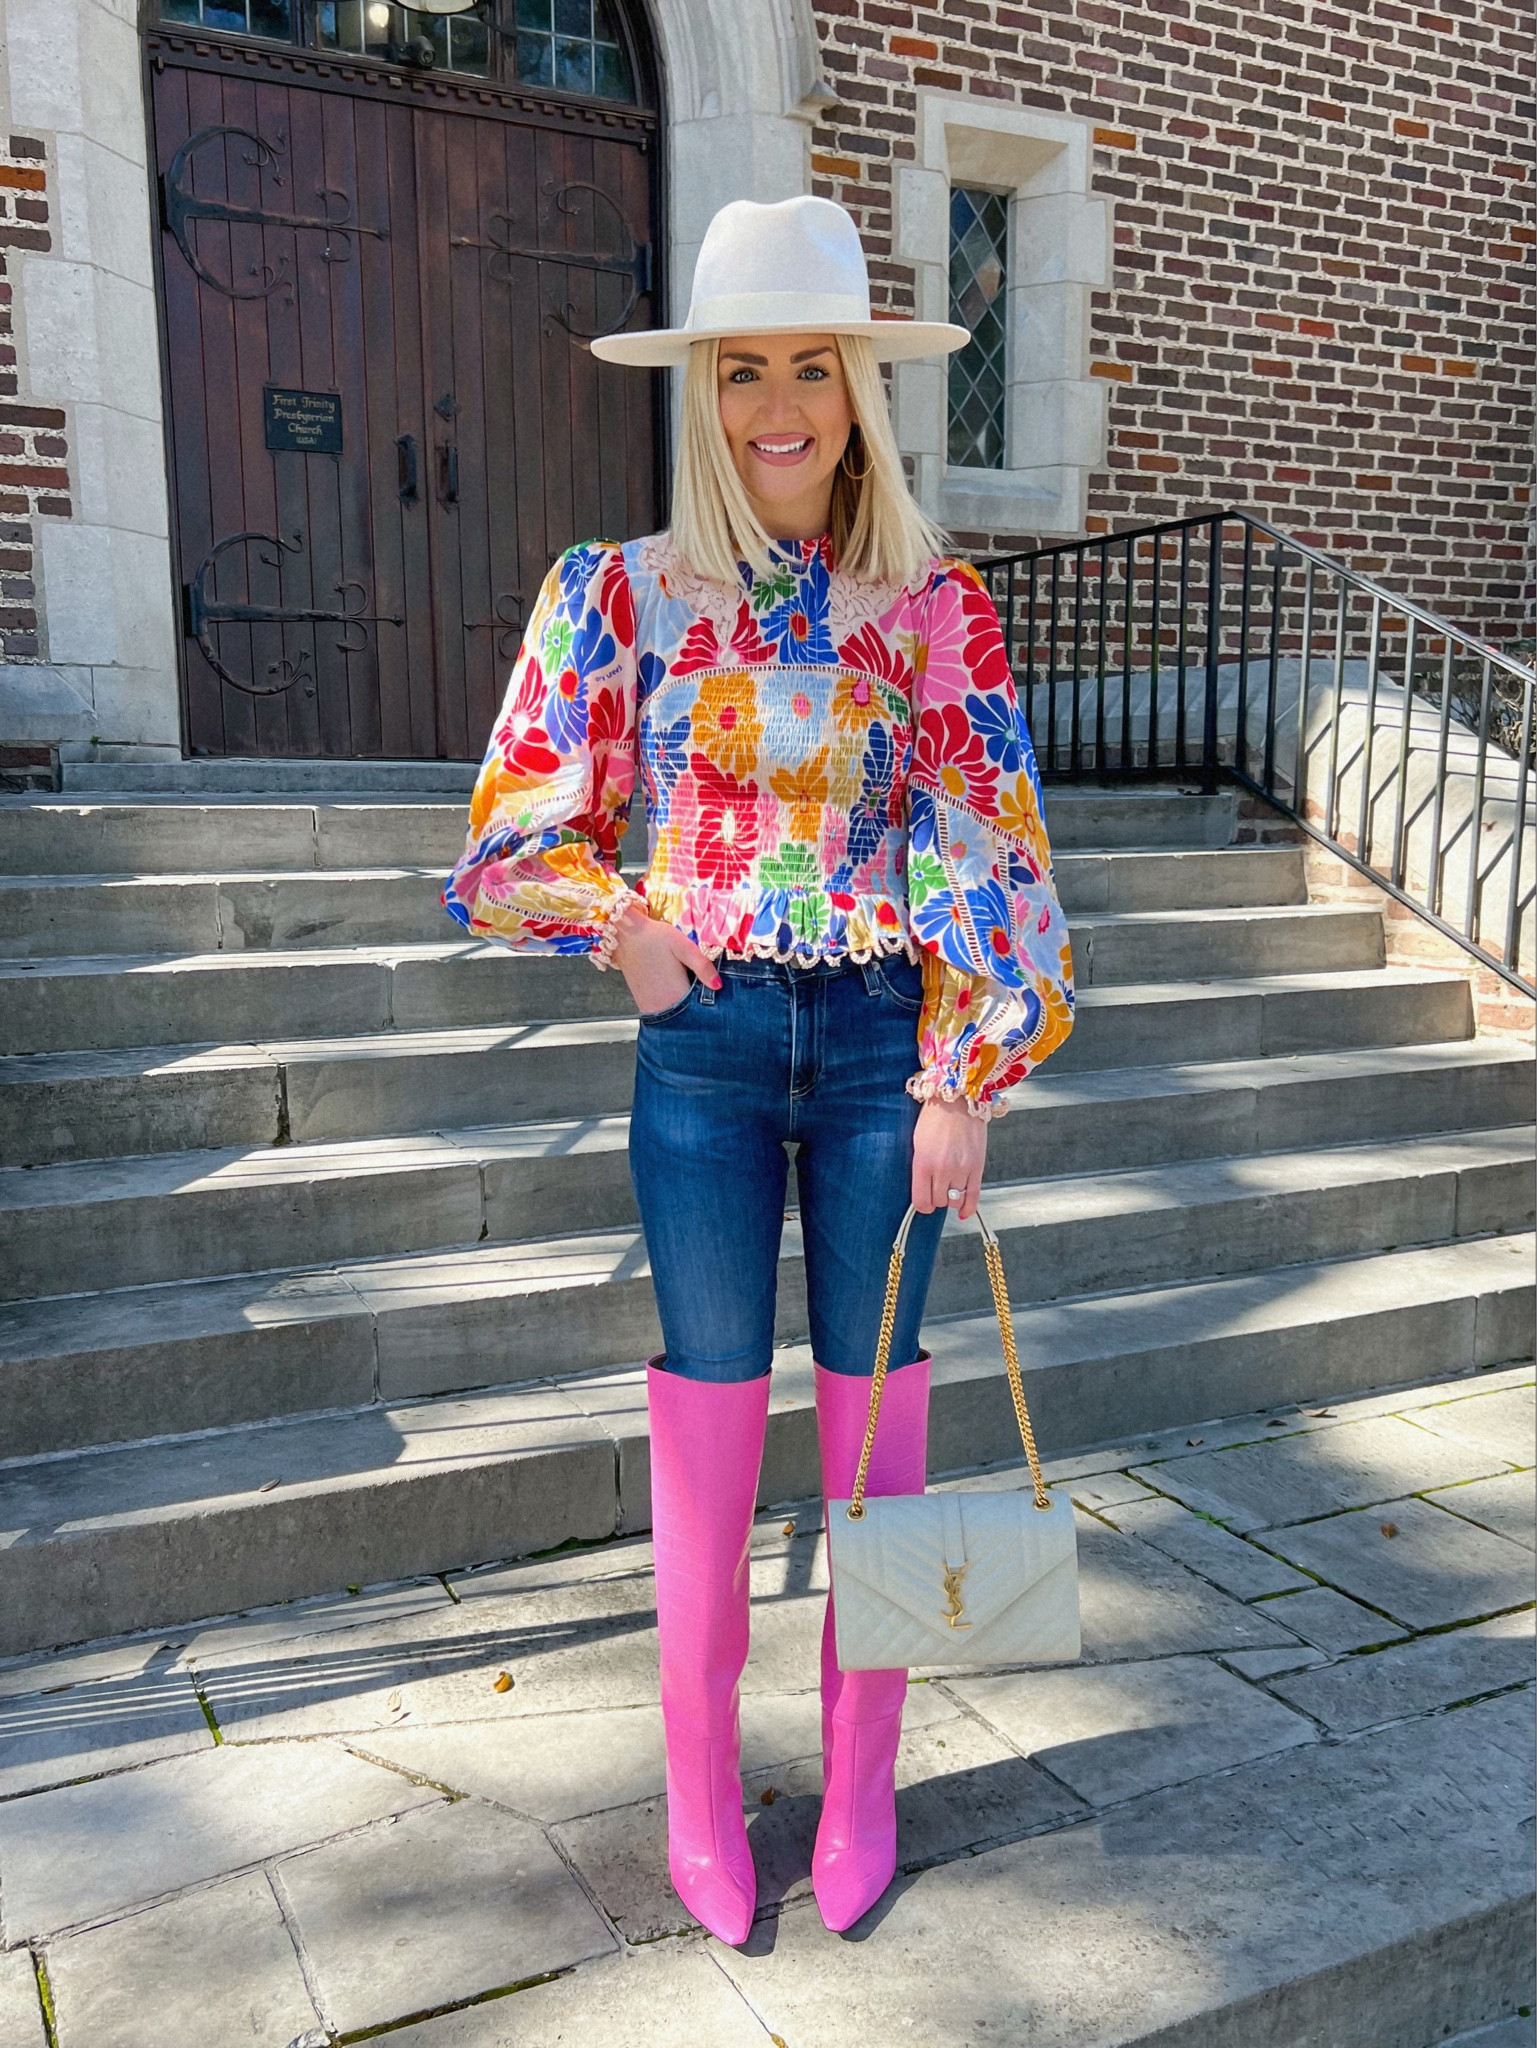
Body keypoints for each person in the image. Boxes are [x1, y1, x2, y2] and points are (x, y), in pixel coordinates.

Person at [443, 195, 1074, 1942]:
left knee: (876, 1436)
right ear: (704, 392)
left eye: (813, 367)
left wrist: (963, 1073)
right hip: (703, 1056)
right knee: (708, 1420)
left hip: (883, 1048)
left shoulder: (931, 610)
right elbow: (513, 828)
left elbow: (988, 841)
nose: (777, 404)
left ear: (860, 390)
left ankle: (861, 1781)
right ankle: (703, 1798)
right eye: (744, 371)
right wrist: (627, 936)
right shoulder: (619, 594)